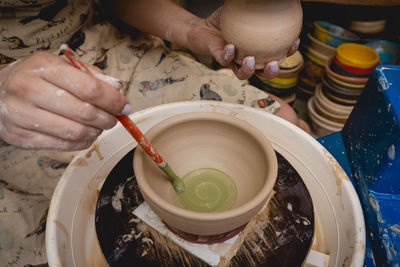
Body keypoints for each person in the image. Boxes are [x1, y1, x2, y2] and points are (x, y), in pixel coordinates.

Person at [0, 0, 300, 265]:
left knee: (283, 121)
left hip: (103, 49)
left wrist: (193, 31)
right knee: (58, 239)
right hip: (17, 98)